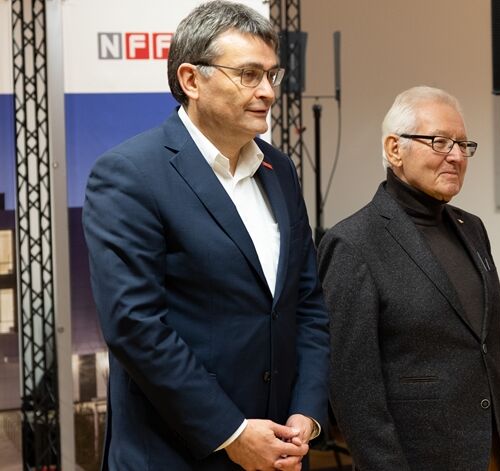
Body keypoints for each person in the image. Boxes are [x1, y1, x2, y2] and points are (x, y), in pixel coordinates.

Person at [82, 2, 329, 470]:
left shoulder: (280, 170)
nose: (267, 92)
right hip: (176, 453)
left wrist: (307, 414)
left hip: (279, 450)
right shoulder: (131, 174)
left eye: (272, 75)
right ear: (192, 80)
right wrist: (231, 432)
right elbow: (135, 326)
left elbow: (308, 303)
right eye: (249, 74)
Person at [317, 86, 500, 470]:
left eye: (464, 145)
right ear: (395, 149)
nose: (456, 156)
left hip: (491, 455)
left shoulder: (473, 229)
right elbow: (352, 388)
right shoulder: (352, 243)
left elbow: (496, 352)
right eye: (440, 142)